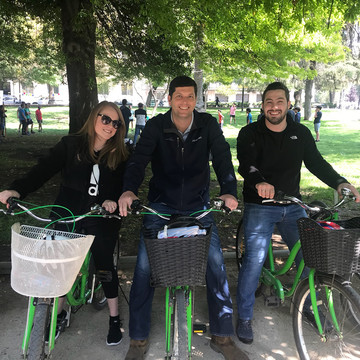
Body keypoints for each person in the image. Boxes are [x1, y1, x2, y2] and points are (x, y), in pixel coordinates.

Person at [118, 76, 249, 360]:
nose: (185, 102)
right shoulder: (156, 126)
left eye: (190, 96)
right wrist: (128, 190)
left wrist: (229, 191)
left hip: (198, 205)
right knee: (143, 269)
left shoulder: (207, 125)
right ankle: (138, 340)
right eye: (179, 96)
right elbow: (138, 160)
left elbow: (223, 157)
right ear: (169, 99)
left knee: (216, 266)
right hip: (160, 205)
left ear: (196, 99)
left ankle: (222, 337)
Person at [235, 81, 360, 345]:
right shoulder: (250, 132)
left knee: (309, 257)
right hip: (261, 205)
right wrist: (259, 182)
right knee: (254, 261)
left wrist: (339, 182)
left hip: (293, 206)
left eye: (279, 101)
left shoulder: (300, 133)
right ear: (263, 105)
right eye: (269, 102)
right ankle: (244, 316)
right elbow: (246, 164)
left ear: (289, 104)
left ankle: (310, 305)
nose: (274, 107)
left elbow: (316, 163)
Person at [0, 101, 129, 346]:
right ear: (94, 118)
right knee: (57, 269)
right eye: (106, 119)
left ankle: (114, 317)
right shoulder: (71, 145)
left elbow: (125, 185)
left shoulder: (121, 155)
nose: (111, 126)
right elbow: (42, 170)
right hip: (66, 213)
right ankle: (58, 314)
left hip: (101, 217)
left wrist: (114, 199)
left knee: (104, 266)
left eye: (117, 123)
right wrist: (17, 189)